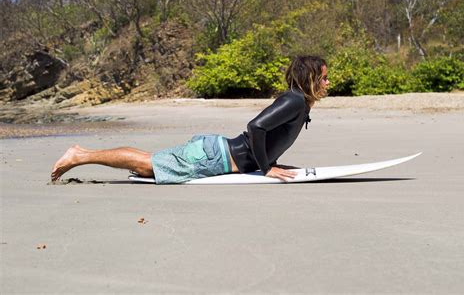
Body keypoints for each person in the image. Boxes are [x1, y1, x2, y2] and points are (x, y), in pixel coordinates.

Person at [51, 55, 330, 183]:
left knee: (150, 160)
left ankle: (82, 153)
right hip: (214, 158)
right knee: (148, 165)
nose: (328, 83)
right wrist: (266, 168)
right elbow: (255, 127)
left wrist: (270, 160)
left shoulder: (300, 103)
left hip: (217, 155)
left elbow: (270, 134)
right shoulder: (294, 100)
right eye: (324, 77)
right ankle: (78, 156)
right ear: (311, 78)